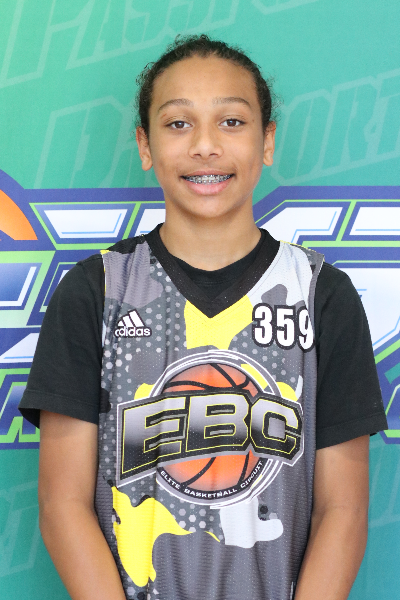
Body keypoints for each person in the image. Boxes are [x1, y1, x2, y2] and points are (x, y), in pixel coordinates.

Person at [19, 35, 387, 600]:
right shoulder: (97, 290)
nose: (206, 146)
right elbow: (61, 503)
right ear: (145, 145)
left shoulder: (321, 294)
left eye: (232, 122)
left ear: (267, 141)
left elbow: (344, 509)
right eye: (178, 124)